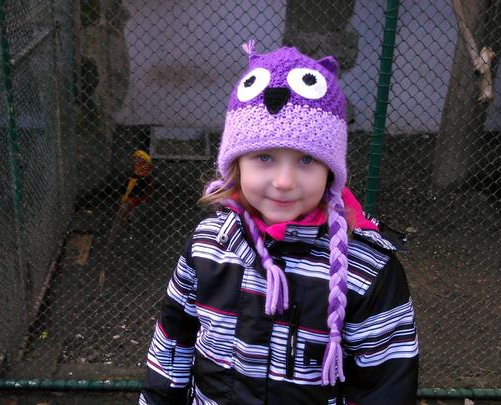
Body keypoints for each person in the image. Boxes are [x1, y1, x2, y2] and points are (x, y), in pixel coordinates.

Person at [139, 42, 419, 405]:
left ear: (330, 171)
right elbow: (172, 344)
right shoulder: (207, 246)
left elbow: (385, 385)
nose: (284, 181)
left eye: (306, 160)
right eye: (265, 157)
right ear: (236, 165)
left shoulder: (366, 270)